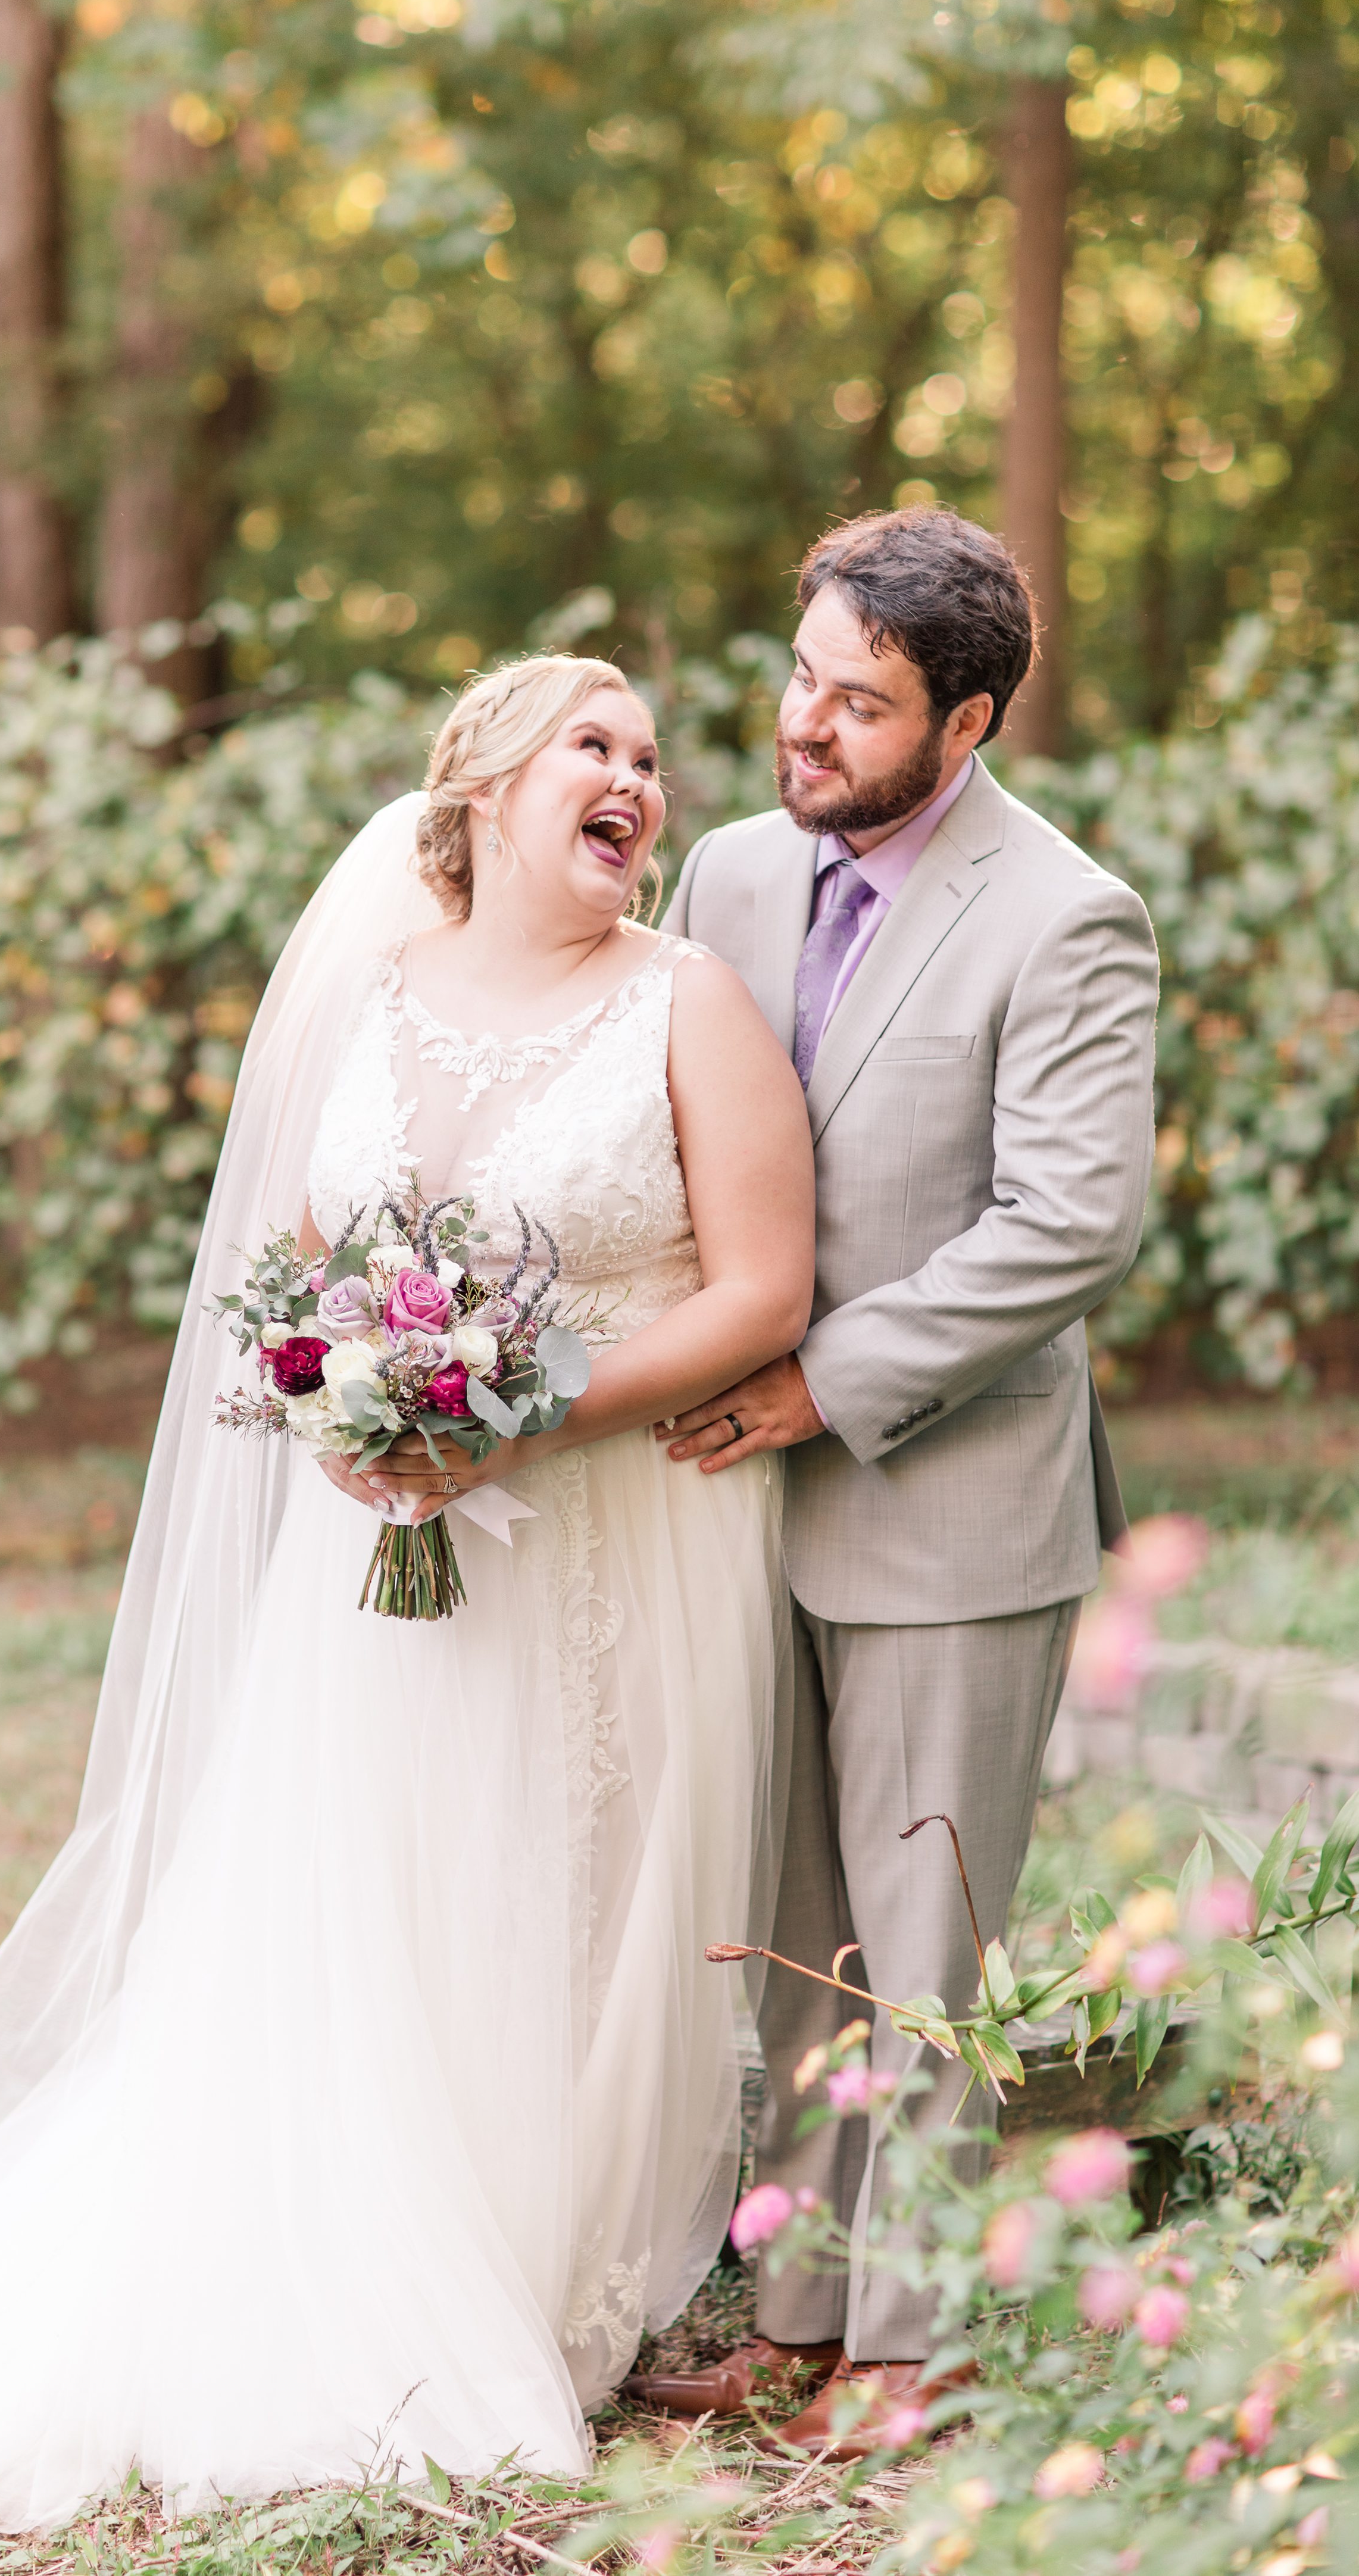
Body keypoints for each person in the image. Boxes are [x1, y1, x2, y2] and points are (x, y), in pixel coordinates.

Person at [0, 655, 814, 2568]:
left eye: (651, 758)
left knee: (575, 1880)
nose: (636, 779)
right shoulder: (374, 996)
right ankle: (362, 2245)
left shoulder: (689, 1000)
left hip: (619, 1537)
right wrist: (356, 1409)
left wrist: (527, 1410)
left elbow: (760, 1289)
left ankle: (545, 2268)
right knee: (372, 1883)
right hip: (375, 1545)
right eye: (595, 743)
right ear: (487, 783)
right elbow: (300, 1280)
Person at [636, 508, 1158, 2456]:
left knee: (922, 1952)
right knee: (791, 1938)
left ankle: (914, 2347)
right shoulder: (726, 872)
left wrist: (820, 1384)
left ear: (969, 720)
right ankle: (798, 2313)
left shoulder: (1069, 916)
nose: (806, 723)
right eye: (801, 676)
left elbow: (1068, 1225)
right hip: (731, 1512)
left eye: (859, 702)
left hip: (949, 1507)